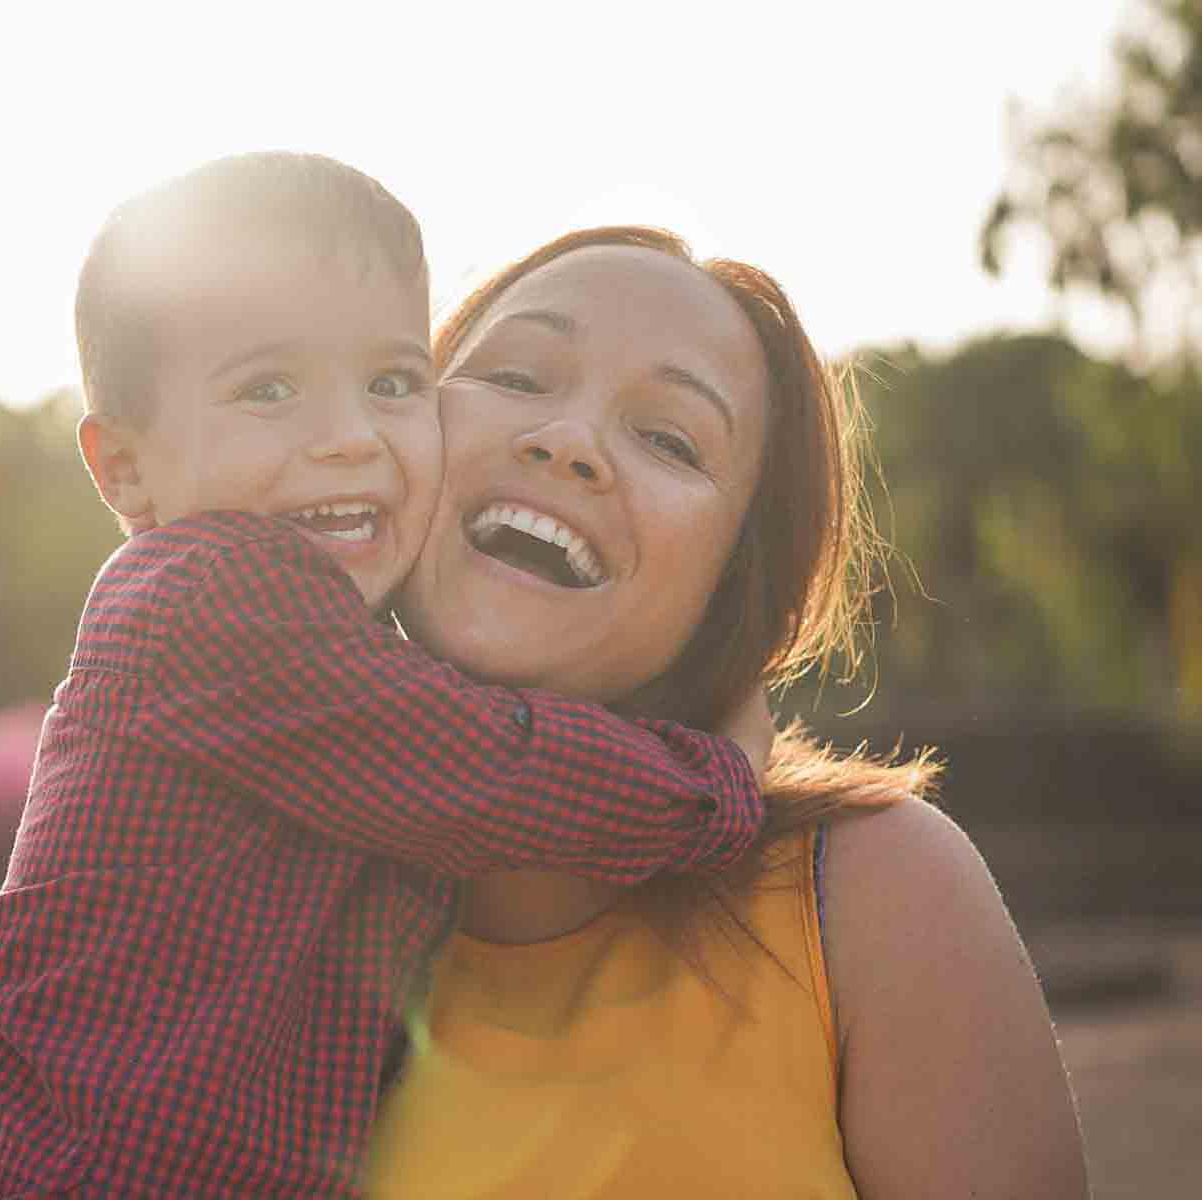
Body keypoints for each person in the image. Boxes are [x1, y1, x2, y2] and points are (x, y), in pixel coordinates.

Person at [0, 159, 771, 1199]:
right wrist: (716, 779)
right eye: (269, 390)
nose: (352, 438)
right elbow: (484, 772)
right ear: (125, 468)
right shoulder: (212, 598)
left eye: (395, 383)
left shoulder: (354, 662)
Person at [364, 227, 1090, 1197]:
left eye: (668, 438)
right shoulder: (231, 869)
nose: (568, 441)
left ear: (737, 581)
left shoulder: (869, 896)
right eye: (518, 376)